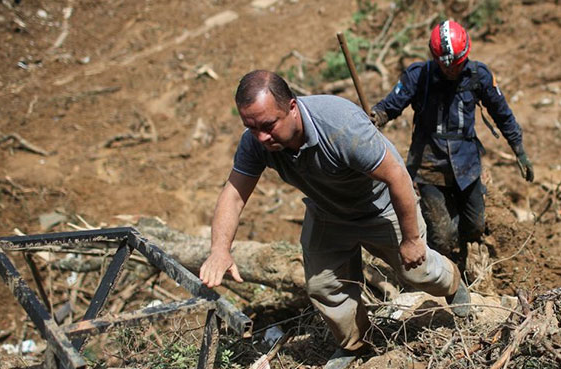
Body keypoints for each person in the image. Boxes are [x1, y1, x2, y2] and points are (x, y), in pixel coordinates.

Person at [199, 70, 471, 368]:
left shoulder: (339, 126)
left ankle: (452, 280)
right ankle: (355, 345)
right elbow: (234, 194)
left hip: (380, 207)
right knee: (324, 285)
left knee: (417, 273)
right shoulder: (255, 141)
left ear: (291, 107)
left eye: (268, 125)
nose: (261, 137)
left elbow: (397, 177)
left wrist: (411, 239)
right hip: (328, 211)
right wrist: (220, 250)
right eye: (251, 127)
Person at [370, 19, 534, 274]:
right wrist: (377, 116)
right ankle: (446, 273)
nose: (451, 71)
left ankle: (471, 253)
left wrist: (519, 149)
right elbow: (391, 105)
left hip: (467, 164)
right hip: (428, 166)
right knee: (444, 237)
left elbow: (502, 113)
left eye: (457, 65)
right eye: (446, 66)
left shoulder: (480, 76)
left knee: (476, 225)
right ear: (435, 58)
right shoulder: (418, 76)